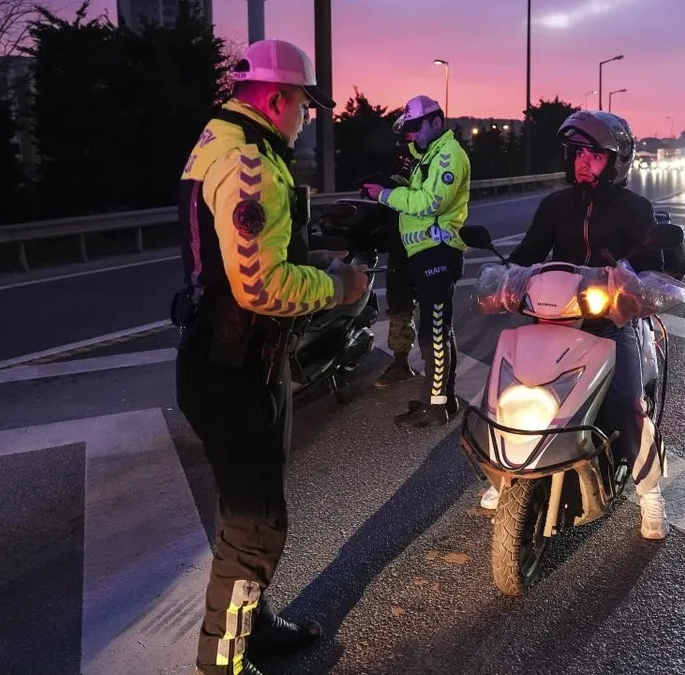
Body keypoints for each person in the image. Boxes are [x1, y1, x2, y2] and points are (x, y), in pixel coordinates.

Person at [172, 38, 368, 675]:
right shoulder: (249, 164)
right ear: (277, 99)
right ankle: (222, 661)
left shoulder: (220, 140)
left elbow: (256, 260)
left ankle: (252, 627)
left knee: (253, 504)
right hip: (234, 367)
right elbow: (260, 286)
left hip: (239, 359)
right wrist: (339, 287)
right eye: (304, 106)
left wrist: (314, 258)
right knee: (255, 525)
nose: (306, 117)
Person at [482, 110, 674, 540]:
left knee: (628, 402)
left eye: (596, 156)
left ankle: (649, 491)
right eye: (578, 154)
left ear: (617, 161)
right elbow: (530, 251)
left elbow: (651, 271)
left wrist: (634, 285)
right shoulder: (555, 205)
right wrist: (506, 278)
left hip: (610, 321)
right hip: (554, 315)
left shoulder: (636, 208)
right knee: (508, 385)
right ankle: (505, 472)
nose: (584, 163)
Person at [361, 95, 470, 427]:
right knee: (438, 330)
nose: (411, 136)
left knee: (433, 334)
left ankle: (435, 406)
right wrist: (398, 179)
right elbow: (418, 187)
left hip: (438, 253)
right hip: (424, 253)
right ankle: (442, 399)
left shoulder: (449, 155)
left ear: (436, 122)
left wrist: (384, 194)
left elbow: (430, 202)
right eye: (407, 130)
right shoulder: (429, 155)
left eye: (416, 128)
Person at [373, 140, 420, 387]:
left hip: (422, 251)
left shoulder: (430, 170)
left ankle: (438, 374)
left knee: (432, 315)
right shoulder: (397, 176)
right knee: (400, 309)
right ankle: (401, 363)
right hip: (401, 252)